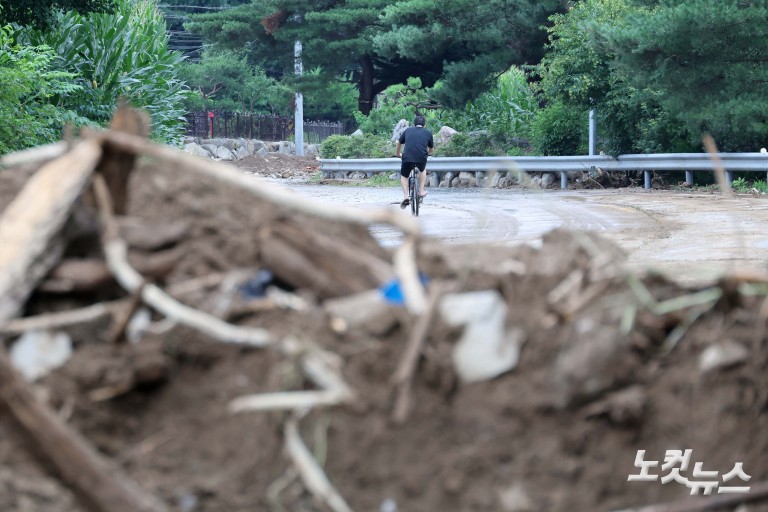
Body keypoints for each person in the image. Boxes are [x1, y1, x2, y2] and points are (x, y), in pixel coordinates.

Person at [395, 114, 434, 209]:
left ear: (414, 124)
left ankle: (405, 196)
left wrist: (398, 154)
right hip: (421, 158)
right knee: (422, 169)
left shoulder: (407, 130)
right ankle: (421, 191)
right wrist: (428, 154)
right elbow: (431, 149)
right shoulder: (428, 133)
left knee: (404, 176)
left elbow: (399, 142)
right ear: (424, 125)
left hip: (407, 157)